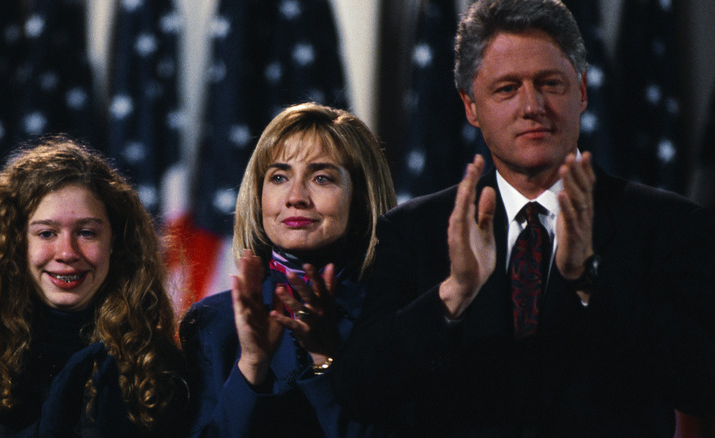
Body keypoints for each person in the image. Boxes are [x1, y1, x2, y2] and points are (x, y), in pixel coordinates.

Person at [332, 0, 715, 437]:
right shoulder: (412, 231)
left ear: (583, 91)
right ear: (471, 106)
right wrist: (453, 295)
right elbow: (359, 392)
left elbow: (702, 385)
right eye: (507, 88)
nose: (532, 106)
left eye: (550, 83)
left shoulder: (668, 224)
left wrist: (591, 280)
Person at [0, 136, 190, 437]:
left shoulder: (158, 365)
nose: (67, 253)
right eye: (46, 234)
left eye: (86, 233)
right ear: (13, 244)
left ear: (116, 244)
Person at [179, 102, 397, 437]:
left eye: (321, 178)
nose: (295, 197)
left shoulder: (396, 315)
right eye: (279, 177)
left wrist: (325, 358)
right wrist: (251, 364)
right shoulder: (211, 323)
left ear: (362, 200)